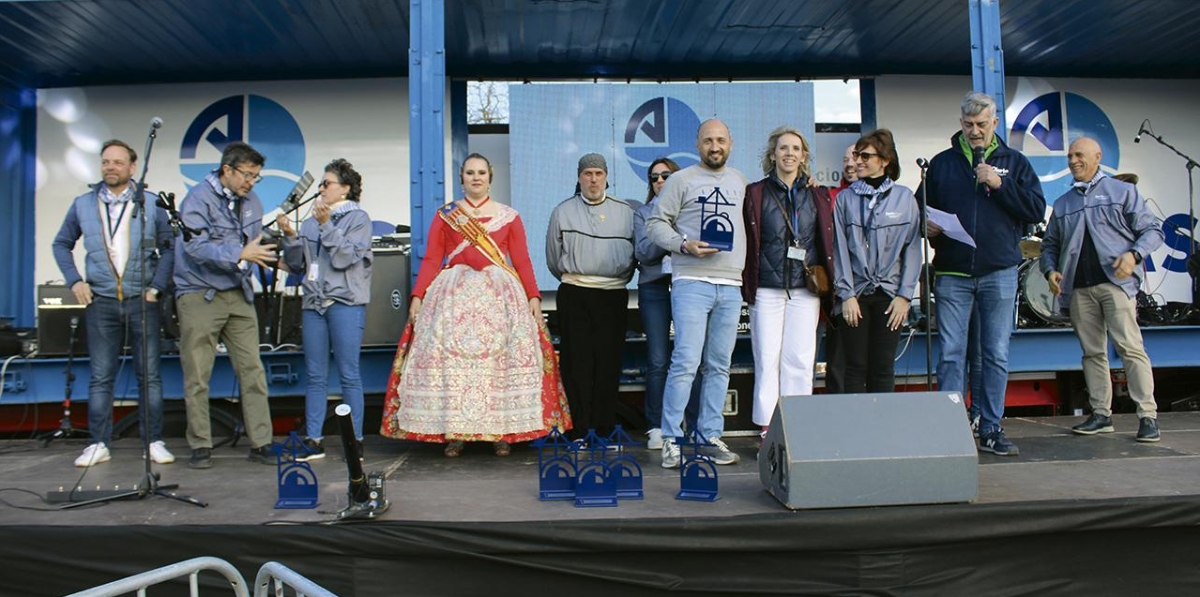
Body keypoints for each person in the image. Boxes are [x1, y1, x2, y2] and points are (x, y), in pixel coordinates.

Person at [384, 153, 570, 457]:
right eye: (470, 172)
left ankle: (501, 432)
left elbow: (521, 259)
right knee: (452, 364)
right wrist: (418, 295)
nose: (476, 177)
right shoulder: (446, 215)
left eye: (481, 172)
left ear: (490, 176)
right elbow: (432, 258)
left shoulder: (509, 216)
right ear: (462, 177)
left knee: (499, 365)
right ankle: (455, 432)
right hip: (453, 295)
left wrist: (533, 297)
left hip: (499, 296)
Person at [918, 91, 1046, 457]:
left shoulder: (1014, 162)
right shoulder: (941, 164)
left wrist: (1000, 184)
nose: (975, 131)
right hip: (953, 273)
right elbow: (919, 207)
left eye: (982, 125)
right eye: (969, 125)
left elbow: (1035, 209)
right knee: (952, 353)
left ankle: (991, 427)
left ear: (994, 123)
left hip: (999, 272)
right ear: (961, 124)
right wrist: (926, 226)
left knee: (995, 354)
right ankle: (950, 428)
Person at [51, 139, 176, 467]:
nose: (110, 167)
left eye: (118, 162)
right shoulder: (83, 204)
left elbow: (170, 247)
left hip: (142, 299)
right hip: (102, 301)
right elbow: (61, 243)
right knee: (100, 376)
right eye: (106, 162)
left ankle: (154, 441)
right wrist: (74, 281)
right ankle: (98, 443)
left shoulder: (150, 203)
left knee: (148, 375)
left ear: (132, 167)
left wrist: (158, 287)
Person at [1041, 138, 1165, 442]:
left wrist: (1133, 255)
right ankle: (1100, 415)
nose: (1073, 160)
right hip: (1080, 290)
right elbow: (1049, 246)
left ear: (1098, 157)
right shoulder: (1064, 203)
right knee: (1092, 353)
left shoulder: (1122, 192)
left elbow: (1153, 231)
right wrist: (1049, 270)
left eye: (1079, 155)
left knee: (1130, 349)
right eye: (1070, 155)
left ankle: (1148, 416)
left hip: (1116, 285)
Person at [646, 118, 747, 468]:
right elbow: (655, 224)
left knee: (719, 365)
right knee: (686, 362)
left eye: (720, 139)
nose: (714, 146)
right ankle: (672, 437)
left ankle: (708, 436)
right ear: (697, 143)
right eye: (708, 140)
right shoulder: (680, 180)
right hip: (691, 282)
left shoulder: (740, 181)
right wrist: (684, 244)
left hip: (731, 285)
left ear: (730, 142)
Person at [174, 141, 278, 469]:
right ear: (227, 170)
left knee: (253, 370)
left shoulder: (253, 202)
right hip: (199, 293)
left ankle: (261, 442)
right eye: (247, 175)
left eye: (256, 177)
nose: (251, 182)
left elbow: (254, 244)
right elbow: (194, 247)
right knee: (198, 373)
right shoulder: (197, 200)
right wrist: (238, 254)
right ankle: (200, 445)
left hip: (238, 292)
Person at [278, 159, 373, 461]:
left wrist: (326, 225)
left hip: (344, 303)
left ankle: (355, 439)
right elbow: (298, 264)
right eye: (320, 183)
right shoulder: (310, 220)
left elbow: (346, 257)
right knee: (315, 375)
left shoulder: (358, 218)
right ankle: (314, 438)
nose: (320, 188)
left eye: (326, 183)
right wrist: (290, 237)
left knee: (349, 374)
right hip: (314, 303)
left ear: (345, 189)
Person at [742, 126, 834, 433]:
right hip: (767, 287)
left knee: (799, 357)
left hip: (805, 288)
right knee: (768, 359)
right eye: (783, 148)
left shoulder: (818, 194)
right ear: (772, 155)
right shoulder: (755, 192)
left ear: (804, 156)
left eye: (796, 148)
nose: (789, 153)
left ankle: (797, 425)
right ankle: (768, 428)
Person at [546, 153, 638, 441]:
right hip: (575, 293)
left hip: (612, 295)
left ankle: (604, 429)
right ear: (579, 177)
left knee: (608, 363)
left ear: (607, 176)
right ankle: (579, 430)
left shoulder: (626, 211)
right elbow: (552, 257)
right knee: (577, 364)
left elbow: (636, 253)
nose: (593, 179)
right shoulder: (562, 211)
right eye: (588, 174)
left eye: (599, 173)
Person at [832, 129, 922, 393]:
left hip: (890, 295)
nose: (857, 161)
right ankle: (855, 430)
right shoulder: (845, 199)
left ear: (884, 160)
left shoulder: (904, 198)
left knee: (883, 366)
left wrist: (905, 296)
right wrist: (846, 294)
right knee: (855, 366)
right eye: (856, 155)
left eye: (865, 155)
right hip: (856, 295)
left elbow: (912, 249)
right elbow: (838, 249)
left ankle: (882, 430)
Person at [633, 157, 700, 449]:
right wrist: (668, 232)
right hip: (654, 288)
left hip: (688, 285)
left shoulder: (692, 207)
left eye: (666, 175)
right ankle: (656, 426)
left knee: (689, 358)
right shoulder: (643, 213)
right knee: (658, 359)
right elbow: (644, 252)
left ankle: (695, 424)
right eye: (654, 177)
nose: (660, 181)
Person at [820, 144, 859, 395]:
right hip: (839, 293)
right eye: (845, 159)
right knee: (838, 360)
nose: (850, 163)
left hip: (870, 291)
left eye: (856, 157)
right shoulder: (828, 196)